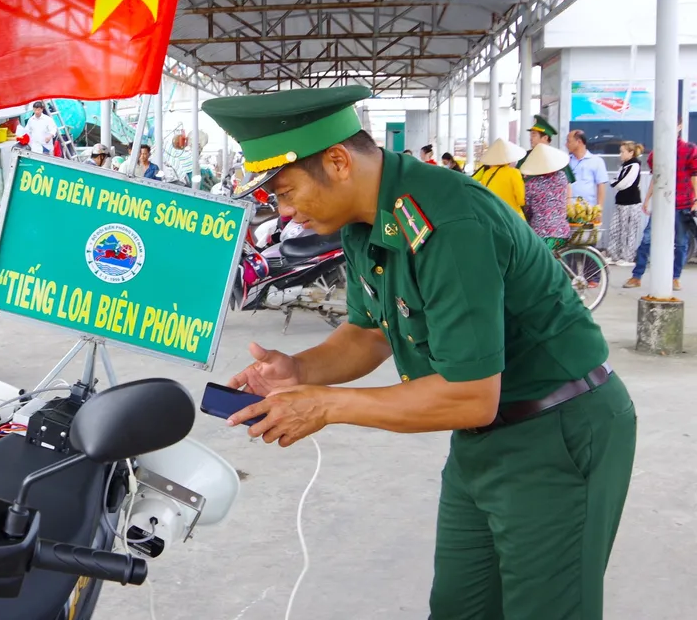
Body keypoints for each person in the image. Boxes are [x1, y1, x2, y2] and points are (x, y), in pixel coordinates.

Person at [203, 85, 635, 620]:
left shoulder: (449, 223)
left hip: (557, 432)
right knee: (458, 607)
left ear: (337, 162)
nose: (286, 214)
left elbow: (470, 396)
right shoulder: (365, 222)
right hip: (484, 441)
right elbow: (370, 333)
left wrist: (327, 405)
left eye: (287, 193)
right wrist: (298, 369)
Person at [624, 124, 697, 291]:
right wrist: (648, 199)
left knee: (680, 243)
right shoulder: (656, 153)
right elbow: (655, 178)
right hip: (662, 204)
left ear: (679, 126)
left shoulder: (689, 149)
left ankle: (675, 277)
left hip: (683, 202)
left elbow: (694, 175)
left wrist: (696, 199)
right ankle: (637, 276)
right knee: (647, 240)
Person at [520, 142, 572, 246]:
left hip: (540, 234)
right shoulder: (562, 177)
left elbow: (528, 208)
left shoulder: (531, 184)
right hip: (562, 231)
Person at [607, 141, 645, 266]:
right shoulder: (624, 166)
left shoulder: (634, 165)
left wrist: (615, 183)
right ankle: (614, 254)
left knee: (628, 230)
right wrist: (615, 182)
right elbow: (616, 180)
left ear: (631, 152)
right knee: (615, 228)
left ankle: (627, 257)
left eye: (622, 151)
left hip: (631, 202)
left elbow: (623, 183)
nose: (620, 154)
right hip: (621, 201)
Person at [472, 138, 527, 219]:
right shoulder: (514, 173)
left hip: (494, 216)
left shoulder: (487, 174)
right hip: (512, 217)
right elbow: (521, 200)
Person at [567, 129, 608, 211]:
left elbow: (601, 186)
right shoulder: (566, 161)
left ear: (579, 142)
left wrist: (599, 209)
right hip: (569, 210)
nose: (566, 144)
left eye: (569, 141)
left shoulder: (597, 161)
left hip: (589, 210)